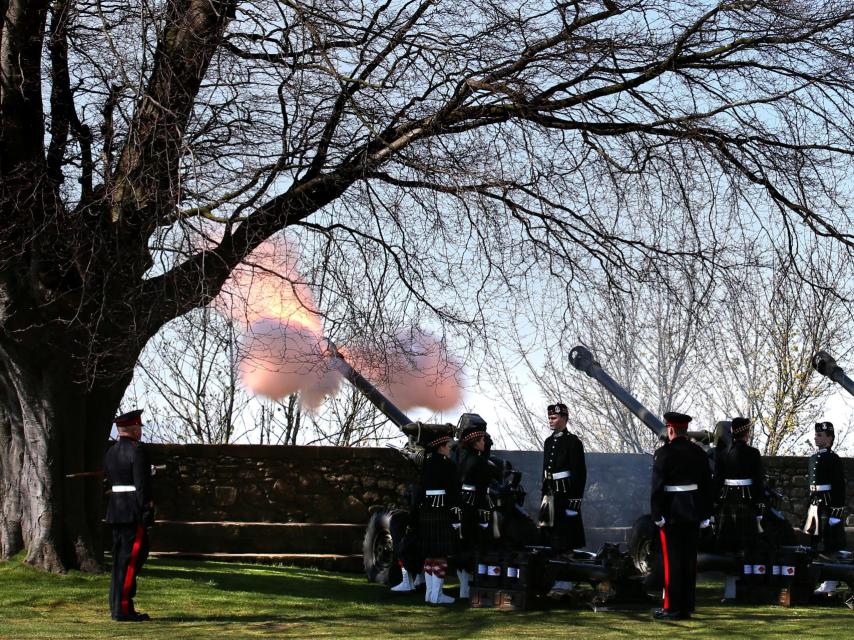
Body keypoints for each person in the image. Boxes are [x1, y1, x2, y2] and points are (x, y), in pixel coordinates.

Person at [650, 411, 713, 621]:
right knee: (689, 561)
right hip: (693, 510)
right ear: (685, 430)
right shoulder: (699, 453)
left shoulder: (663, 453)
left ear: (670, 429)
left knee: (672, 562)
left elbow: (657, 487)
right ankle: (686, 606)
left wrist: (657, 514)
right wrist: (706, 514)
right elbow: (706, 486)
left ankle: (671, 607)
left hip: (672, 512)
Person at [104, 409, 155, 622]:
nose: (140, 432)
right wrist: (147, 510)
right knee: (131, 560)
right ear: (134, 429)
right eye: (139, 428)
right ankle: (122, 608)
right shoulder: (138, 451)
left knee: (120, 561)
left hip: (116, 511)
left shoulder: (111, 452)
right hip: (133, 513)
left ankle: (117, 604)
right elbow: (141, 486)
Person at [714, 416, 765, 602]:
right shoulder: (753, 453)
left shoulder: (723, 454)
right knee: (749, 546)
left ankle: (730, 590)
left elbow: (717, 481)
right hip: (746, 503)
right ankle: (750, 589)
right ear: (747, 433)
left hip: (728, 503)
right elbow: (759, 482)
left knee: (730, 548)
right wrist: (759, 508)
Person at [539, 402, 586, 595]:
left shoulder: (573, 442)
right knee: (552, 540)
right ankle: (554, 580)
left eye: (555, 417)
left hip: (566, 496)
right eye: (550, 417)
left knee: (566, 541)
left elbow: (579, 473)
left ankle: (565, 583)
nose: (551, 420)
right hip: (551, 496)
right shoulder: (548, 442)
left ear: (564, 419)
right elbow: (545, 471)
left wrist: (574, 501)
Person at [417, 427, 460, 604]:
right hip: (442, 510)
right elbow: (453, 492)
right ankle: (437, 595)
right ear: (440, 447)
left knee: (429, 554)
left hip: (427, 511)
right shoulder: (447, 465)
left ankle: (430, 593)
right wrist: (456, 515)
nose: (449, 448)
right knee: (440, 554)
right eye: (447, 445)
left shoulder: (426, 463)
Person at [804, 421, 847, 594]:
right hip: (815, 504)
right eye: (816, 434)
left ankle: (832, 580)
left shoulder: (833, 458)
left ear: (829, 438)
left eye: (820, 435)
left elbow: (839, 486)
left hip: (828, 505)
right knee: (816, 542)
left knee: (829, 543)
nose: (816, 437)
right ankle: (824, 579)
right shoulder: (813, 458)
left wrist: (836, 512)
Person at [454, 414, 494, 599]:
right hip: (475, 505)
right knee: (475, 546)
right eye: (481, 440)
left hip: (463, 503)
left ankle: (464, 589)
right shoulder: (478, 461)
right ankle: (470, 587)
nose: (484, 443)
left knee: (464, 545)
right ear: (474, 443)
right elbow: (483, 486)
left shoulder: (464, 458)